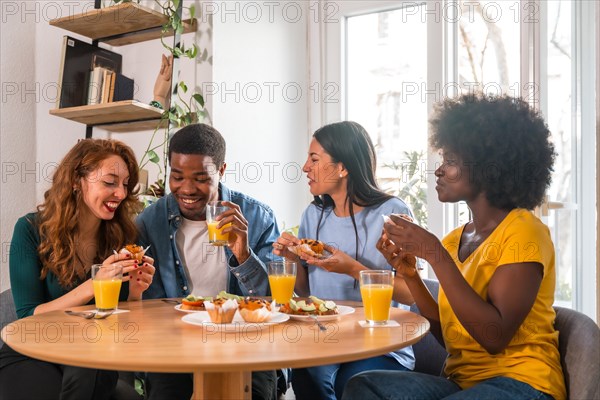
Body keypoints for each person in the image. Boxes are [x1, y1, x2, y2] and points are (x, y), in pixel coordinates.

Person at [343, 93, 566, 400]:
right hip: (462, 384)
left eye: (450, 161)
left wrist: (436, 255)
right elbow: (451, 339)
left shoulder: (524, 231)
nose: (439, 170)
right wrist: (410, 275)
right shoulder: (455, 239)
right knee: (363, 385)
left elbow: (494, 337)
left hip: (521, 383)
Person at [0, 139, 156, 400]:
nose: (120, 193)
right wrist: (95, 284)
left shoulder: (123, 237)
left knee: (91, 366)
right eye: (110, 182)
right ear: (76, 180)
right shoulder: (29, 230)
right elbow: (28, 316)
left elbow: (121, 321)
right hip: (33, 351)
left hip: (88, 354)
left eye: (125, 184)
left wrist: (136, 294)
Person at [136, 123, 281, 400]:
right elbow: (151, 307)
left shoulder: (258, 217)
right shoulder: (149, 222)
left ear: (222, 171)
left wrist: (243, 253)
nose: (187, 189)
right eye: (177, 177)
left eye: (201, 178)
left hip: (246, 341)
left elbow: (274, 302)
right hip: (175, 343)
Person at [272, 121, 416, 400]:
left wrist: (352, 268)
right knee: (302, 375)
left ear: (343, 167)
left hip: (380, 344)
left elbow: (409, 294)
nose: (304, 167)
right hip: (324, 340)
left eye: (314, 159)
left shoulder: (392, 213)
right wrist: (291, 259)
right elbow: (305, 291)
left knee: (351, 384)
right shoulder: (313, 215)